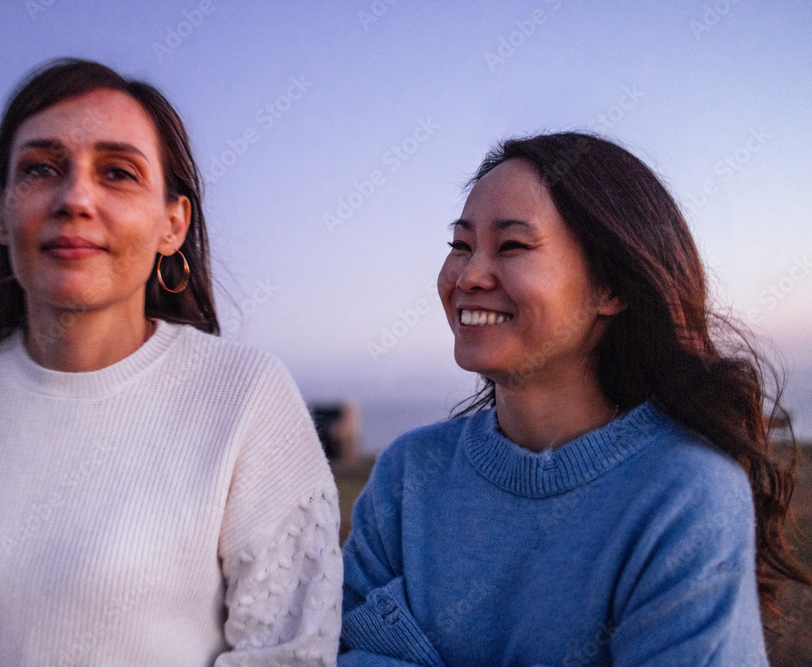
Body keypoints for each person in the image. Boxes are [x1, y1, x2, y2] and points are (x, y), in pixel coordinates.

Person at [0, 58, 342, 665]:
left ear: (173, 223)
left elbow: (288, 653)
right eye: (40, 169)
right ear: (0, 210)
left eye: (118, 173)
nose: (75, 198)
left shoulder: (246, 397)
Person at [340, 132, 810, 665]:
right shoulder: (409, 473)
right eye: (461, 245)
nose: (468, 276)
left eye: (512, 246)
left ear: (612, 288)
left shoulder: (684, 493)